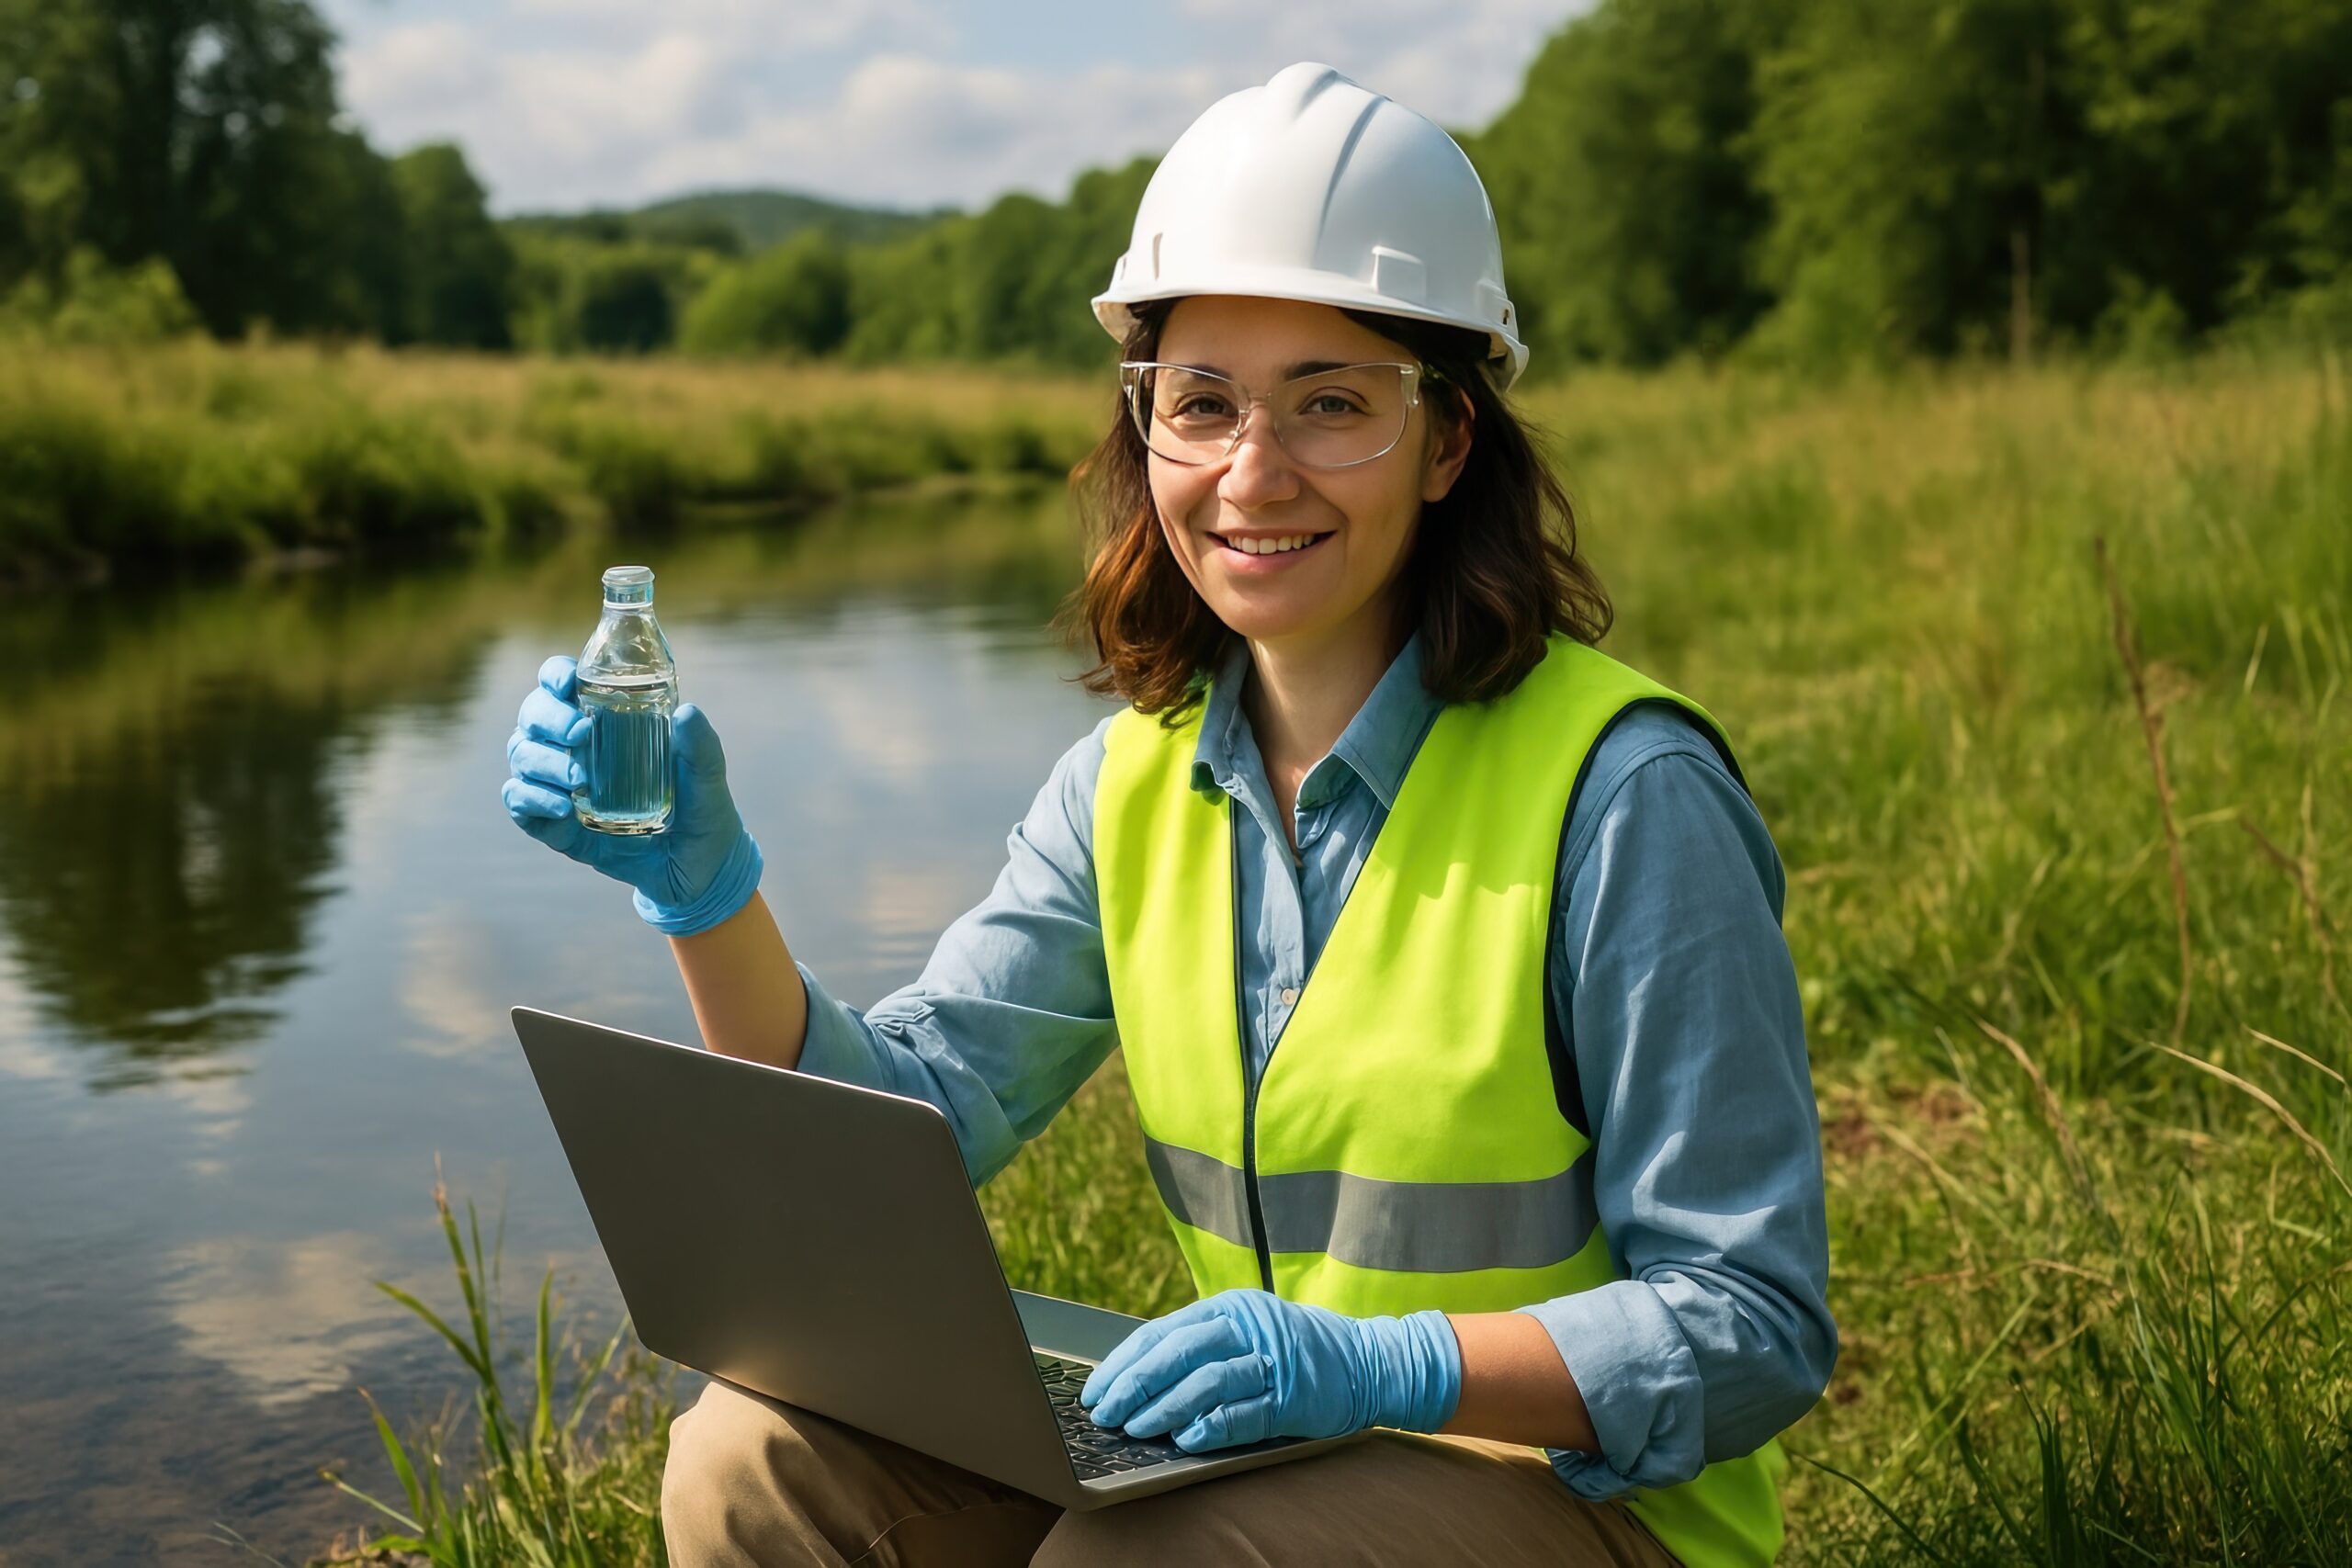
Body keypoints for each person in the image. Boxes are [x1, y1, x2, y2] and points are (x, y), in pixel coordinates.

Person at [503, 61, 1835, 1568]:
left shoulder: (1626, 797)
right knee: (749, 1457)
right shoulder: (1129, 780)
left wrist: (1399, 1367)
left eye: (1333, 404)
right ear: (1147, 428)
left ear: (1451, 439)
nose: (1252, 473)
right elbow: (907, 1130)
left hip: (1588, 1507)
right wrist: (707, 894)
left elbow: (1752, 1320)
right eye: (1201, 404)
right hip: (1274, 1453)